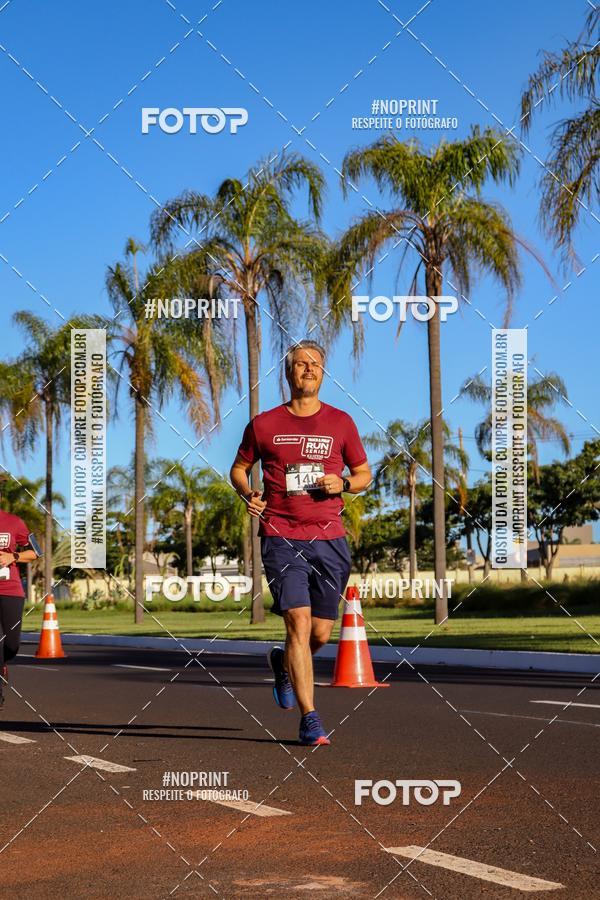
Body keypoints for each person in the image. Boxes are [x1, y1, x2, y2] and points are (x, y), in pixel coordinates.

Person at [230, 340, 371, 746]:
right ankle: (311, 719)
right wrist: (249, 493)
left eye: (315, 364)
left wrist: (342, 482)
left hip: (330, 539)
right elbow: (239, 469)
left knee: (321, 635)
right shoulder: (264, 424)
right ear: (288, 373)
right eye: (300, 364)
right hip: (281, 535)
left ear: (323, 374)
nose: (308, 369)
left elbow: (363, 474)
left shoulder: (341, 423)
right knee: (298, 622)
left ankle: (282, 663)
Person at [0, 495, 43, 708]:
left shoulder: (14, 522)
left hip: (11, 590)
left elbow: (36, 552)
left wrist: (12, 557)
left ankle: (4, 662)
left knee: (11, 644)